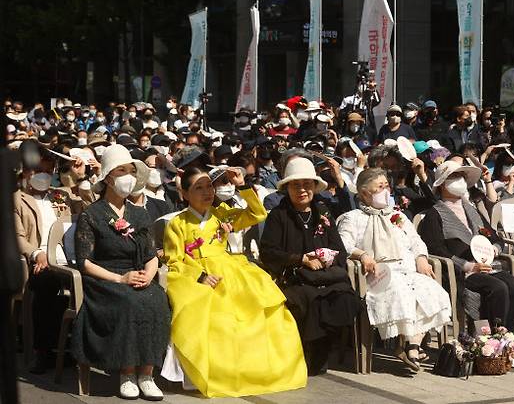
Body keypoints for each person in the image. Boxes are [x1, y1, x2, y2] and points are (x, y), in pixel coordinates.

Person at [162, 165, 306, 397]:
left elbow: (257, 214)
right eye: (199, 188)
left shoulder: (221, 214)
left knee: (259, 311)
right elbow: (174, 259)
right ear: (185, 194)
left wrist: (243, 185)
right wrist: (199, 275)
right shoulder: (177, 223)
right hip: (196, 273)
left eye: (210, 186)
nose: (207, 192)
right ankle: (213, 373)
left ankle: (259, 370)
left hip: (229, 269)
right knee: (209, 314)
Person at [71, 144, 171, 400]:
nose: (127, 176)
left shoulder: (140, 213)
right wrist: (120, 278)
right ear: (107, 177)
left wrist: (149, 273)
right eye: (120, 170)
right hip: (105, 278)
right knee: (129, 302)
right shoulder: (91, 215)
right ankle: (127, 372)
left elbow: (150, 254)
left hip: (137, 274)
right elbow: (85, 262)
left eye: (130, 170)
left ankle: (147, 373)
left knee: (157, 298)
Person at [337, 168, 451, 371]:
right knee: (401, 290)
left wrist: (421, 258)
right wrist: (362, 254)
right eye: (379, 187)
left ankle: (412, 345)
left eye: (386, 186)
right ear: (364, 193)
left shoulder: (397, 216)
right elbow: (343, 244)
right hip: (378, 273)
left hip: (405, 269)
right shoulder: (353, 218)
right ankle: (407, 346)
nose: (385, 191)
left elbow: (415, 241)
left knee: (431, 290)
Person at [259, 157, 361, 375]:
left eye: (307, 184)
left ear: (315, 186)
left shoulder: (323, 212)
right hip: (295, 276)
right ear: (287, 188)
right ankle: (308, 352)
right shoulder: (279, 215)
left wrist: (326, 258)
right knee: (308, 299)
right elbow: (269, 252)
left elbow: (339, 249)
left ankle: (323, 348)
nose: (302, 190)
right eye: (296, 185)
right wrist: (301, 259)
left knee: (344, 297)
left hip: (325, 276)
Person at [418, 161, 514, 334]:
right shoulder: (434, 214)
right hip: (461, 271)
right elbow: (435, 248)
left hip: (487, 266)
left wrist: (493, 249)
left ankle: (508, 337)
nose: (459, 180)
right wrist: (467, 266)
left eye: (461, 176)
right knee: (498, 288)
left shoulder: (471, 209)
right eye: (453, 177)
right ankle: (490, 337)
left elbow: (495, 237)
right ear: (442, 184)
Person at [14, 157, 70, 374]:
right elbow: (17, 236)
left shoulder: (61, 195)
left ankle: (74, 347)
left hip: (67, 257)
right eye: (39, 170)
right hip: (39, 260)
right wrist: (37, 254)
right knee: (46, 283)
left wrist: (80, 175)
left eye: (48, 170)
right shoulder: (17, 199)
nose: (43, 175)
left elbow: (87, 202)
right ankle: (42, 351)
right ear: (27, 171)